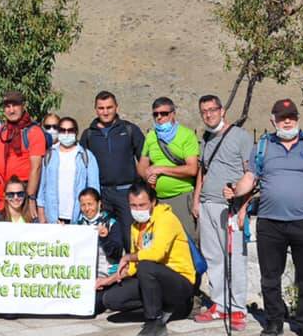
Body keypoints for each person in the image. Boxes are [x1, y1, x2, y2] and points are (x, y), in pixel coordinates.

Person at [230, 98, 303, 336]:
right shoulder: (263, 147)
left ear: (298, 118)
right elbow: (251, 176)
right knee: (270, 277)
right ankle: (273, 321)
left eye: (291, 116)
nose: (287, 120)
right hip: (270, 222)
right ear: (273, 120)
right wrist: (236, 191)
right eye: (282, 117)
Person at [99, 182, 196, 336]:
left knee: (146, 266)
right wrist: (108, 280)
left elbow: (156, 254)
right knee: (111, 299)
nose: (137, 210)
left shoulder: (166, 219)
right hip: (152, 277)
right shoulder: (135, 226)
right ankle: (164, 308)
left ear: (153, 202)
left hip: (179, 281)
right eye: (133, 206)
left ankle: (154, 320)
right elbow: (132, 267)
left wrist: (129, 257)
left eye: (142, 205)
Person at [191, 95, 253, 331]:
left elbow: (251, 173)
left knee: (235, 258)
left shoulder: (241, 137)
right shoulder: (206, 138)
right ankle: (219, 303)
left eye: (212, 110)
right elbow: (203, 171)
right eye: (204, 111)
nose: (208, 114)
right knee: (213, 256)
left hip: (230, 207)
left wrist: (243, 207)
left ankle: (237, 308)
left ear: (222, 110)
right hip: (208, 205)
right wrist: (197, 200)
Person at [79, 91, 145, 247]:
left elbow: (144, 158)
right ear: (95, 109)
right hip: (101, 194)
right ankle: (107, 270)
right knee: (103, 237)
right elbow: (82, 165)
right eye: (101, 108)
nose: (105, 111)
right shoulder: (88, 134)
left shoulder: (130, 130)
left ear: (116, 107)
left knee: (130, 237)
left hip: (126, 193)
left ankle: (134, 270)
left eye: (109, 107)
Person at [137, 97, 200, 238]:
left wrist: (160, 169)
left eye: (164, 113)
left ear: (173, 114)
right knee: (160, 241)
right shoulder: (151, 136)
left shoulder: (187, 135)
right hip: (157, 200)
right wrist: (147, 175)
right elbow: (142, 165)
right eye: (156, 114)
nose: (159, 117)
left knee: (186, 240)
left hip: (181, 197)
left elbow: (192, 169)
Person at [0, 91, 47, 222]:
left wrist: (31, 198)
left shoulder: (34, 132)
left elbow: (36, 167)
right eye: (7, 106)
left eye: (15, 105)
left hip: (22, 194)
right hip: (3, 193)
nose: (11, 110)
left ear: (23, 106)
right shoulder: (2, 131)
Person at [39, 117, 100, 224]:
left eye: (70, 130)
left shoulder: (86, 156)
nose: (66, 133)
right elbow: (43, 187)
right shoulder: (50, 154)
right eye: (62, 130)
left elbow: (94, 188)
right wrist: (41, 212)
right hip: (53, 217)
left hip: (80, 216)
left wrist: (93, 215)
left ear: (76, 132)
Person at [76, 187, 123, 308]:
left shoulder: (112, 223)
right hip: (86, 276)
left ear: (99, 204)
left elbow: (116, 253)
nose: (87, 209)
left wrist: (105, 238)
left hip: (107, 277)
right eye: (83, 205)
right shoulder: (78, 224)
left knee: (94, 304)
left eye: (90, 204)